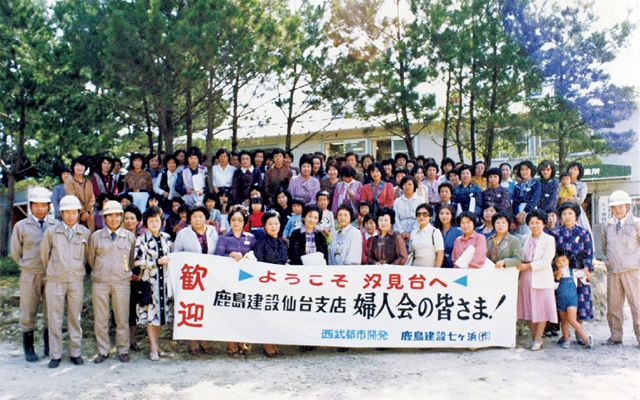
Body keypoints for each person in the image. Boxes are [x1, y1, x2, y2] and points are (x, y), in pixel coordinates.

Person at [40, 195, 91, 368]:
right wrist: (55, 271)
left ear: (78, 213)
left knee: (75, 317)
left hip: (76, 281)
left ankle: (75, 352)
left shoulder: (85, 233)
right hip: (55, 280)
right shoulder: (51, 232)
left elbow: (87, 257)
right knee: (54, 318)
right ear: (61, 213)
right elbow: (44, 256)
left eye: (74, 212)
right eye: (67, 212)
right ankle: (55, 354)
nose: (70, 216)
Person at [10, 187, 58, 362]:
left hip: (51, 275)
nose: (40, 209)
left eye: (43, 205)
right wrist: (27, 265)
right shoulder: (21, 226)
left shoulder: (55, 225)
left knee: (50, 310)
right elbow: (16, 252)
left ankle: (48, 346)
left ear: (48, 206)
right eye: (36, 205)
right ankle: (29, 349)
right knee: (28, 310)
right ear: (31, 206)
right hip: (30, 274)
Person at [88, 200, 136, 363]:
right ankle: (103, 350)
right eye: (110, 216)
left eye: (117, 216)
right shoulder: (96, 237)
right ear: (104, 218)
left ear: (121, 217)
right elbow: (90, 259)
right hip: (100, 282)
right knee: (101, 318)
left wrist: (124, 272)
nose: (114, 219)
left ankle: (123, 349)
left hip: (121, 282)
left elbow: (131, 261)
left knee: (122, 318)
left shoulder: (129, 237)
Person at [173, 204, 219, 356]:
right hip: (190, 278)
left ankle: (205, 341)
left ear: (206, 218)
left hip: (208, 277)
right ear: (189, 219)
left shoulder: (213, 232)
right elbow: (176, 254)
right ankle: (193, 342)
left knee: (206, 309)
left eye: (201, 216)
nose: (198, 219)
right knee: (192, 308)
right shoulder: (183, 233)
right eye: (194, 217)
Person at [132, 206, 174, 361]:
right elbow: (137, 261)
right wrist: (156, 262)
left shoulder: (167, 238)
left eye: (157, 220)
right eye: (151, 221)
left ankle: (157, 346)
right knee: (151, 315)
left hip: (164, 283)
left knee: (160, 316)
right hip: (149, 283)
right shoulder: (141, 239)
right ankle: (153, 348)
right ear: (146, 222)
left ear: (162, 222)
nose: (154, 223)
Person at [215, 205, 255, 358]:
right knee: (230, 312)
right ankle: (231, 344)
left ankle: (242, 342)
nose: (237, 222)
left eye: (240, 220)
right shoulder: (223, 238)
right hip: (228, 281)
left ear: (245, 221)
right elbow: (217, 258)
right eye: (233, 220)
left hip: (246, 280)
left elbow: (255, 257)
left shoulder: (251, 238)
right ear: (229, 221)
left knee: (244, 312)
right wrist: (230, 255)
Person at [601, 190, 640, 347]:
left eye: (620, 206)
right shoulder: (607, 225)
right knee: (614, 306)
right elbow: (605, 247)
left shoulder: (637, 223)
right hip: (614, 270)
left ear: (627, 206)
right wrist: (610, 262)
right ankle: (615, 335)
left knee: (637, 305)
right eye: (614, 207)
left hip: (633, 270)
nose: (617, 210)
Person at [516, 209, 558, 351]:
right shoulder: (524, 238)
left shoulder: (549, 239)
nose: (534, 226)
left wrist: (528, 265)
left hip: (541, 277)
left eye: (537, 223)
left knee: (541, 310)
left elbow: (546, 261)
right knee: (529, 308)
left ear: (543, 224)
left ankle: (538, 339)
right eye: (532, 223)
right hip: (526, 277)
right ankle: (533, 338)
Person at [553, 201, 595, 341]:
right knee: (563, 304)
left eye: (570, 213)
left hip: (579, 272)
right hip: (563, 273)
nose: (567, 216)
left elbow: (589, 252)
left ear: (576, 215)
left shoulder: (583, 232)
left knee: (580, 301)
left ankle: (579, 333)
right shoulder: (556, 232)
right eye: (564, 214)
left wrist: (586, 268)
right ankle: (565, 335)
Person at [253, 211, 287, 358]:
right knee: (267, 315)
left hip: (281, 285)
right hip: (266, 284)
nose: (273, 226)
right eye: (270, 224)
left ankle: (274, 342)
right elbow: (259, 265)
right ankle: (267, 344)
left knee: (278, 316)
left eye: (276, 223)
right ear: (264, 226)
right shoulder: (260, 243)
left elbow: (286, 260)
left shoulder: (283, 243)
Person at [553, 248, 593, 349]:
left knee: (572, 320)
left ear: (569, 261)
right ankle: (566, 340)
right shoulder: (555, 273)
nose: (562, 264)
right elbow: (554, 287)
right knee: (564, 320)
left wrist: (587, 275)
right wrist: (557, 278)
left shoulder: (573, 272)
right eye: (558, 262)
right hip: (561, 300)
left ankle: (586, 339)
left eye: (564, 261)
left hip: (572, 300)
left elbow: (586, 281)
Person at [64, 156, 96, 232]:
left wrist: (87, 211)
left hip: (89, 215)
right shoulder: (69, 181)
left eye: (82, 166)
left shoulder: (88, 182)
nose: (79, 168)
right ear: (73, 167)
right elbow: (72, 196)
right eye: (77, 165)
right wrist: (82, 212)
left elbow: (92, 198)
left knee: (89, 236)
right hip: (74, 213)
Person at [512, 160, 541, 232]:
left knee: (529, 233)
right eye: (522, 170)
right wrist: (517, 215)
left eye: (527, 169)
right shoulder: (517, 186)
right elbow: (515, 202)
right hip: (518, 213)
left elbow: (534, 199)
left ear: (531, 170)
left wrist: (524, 213)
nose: (524, 172)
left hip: (530, 211)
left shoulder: (536, 183)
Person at [393, 175, 423, 243]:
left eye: (410, 184)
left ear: (414, 186)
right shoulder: (397, 201)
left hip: (417, 229)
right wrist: (401, 232)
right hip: (401, 229)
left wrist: (413, 232)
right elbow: (396, 218)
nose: (407, 187)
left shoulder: (420, 200)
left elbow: (421, 217)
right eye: (405, 184)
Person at [434, 204, 463, 268]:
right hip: (437, 264)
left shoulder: (459, 231)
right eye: (441, 213)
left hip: (453, 265)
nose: (444, 216)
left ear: (452, 215)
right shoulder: (434, 231)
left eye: (447, 214)